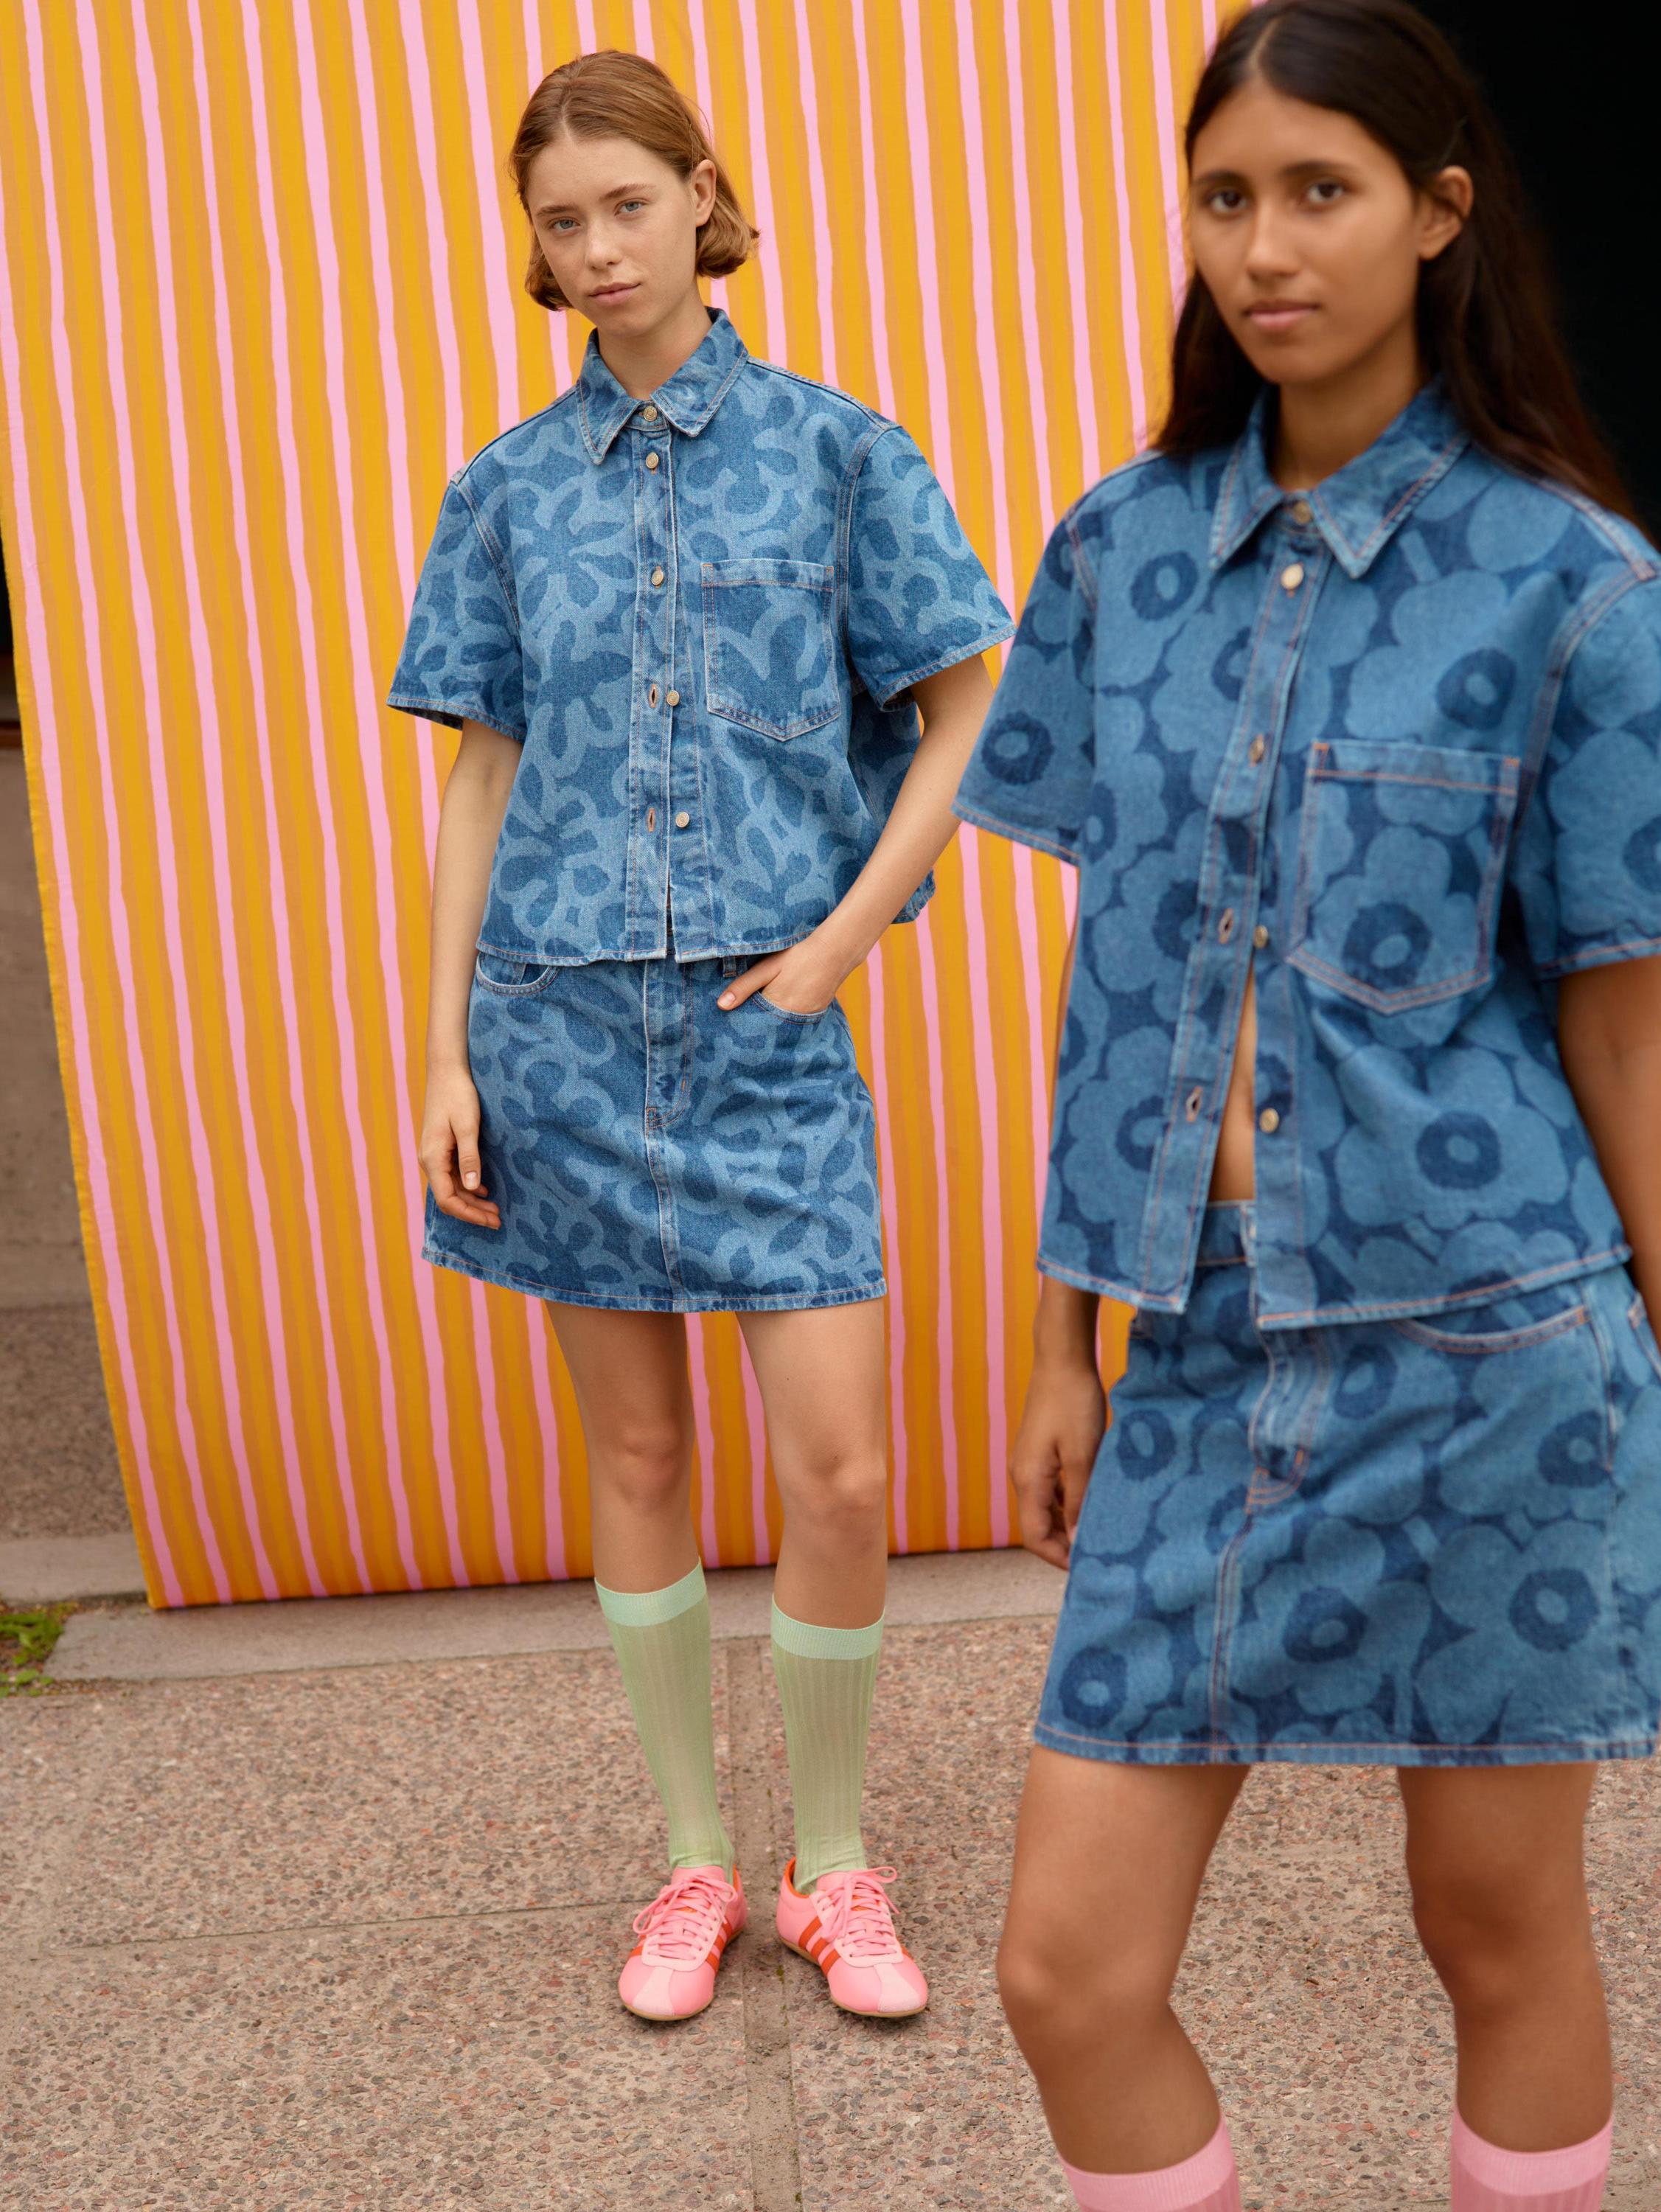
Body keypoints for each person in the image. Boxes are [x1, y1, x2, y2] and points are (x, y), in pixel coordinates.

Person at [951, 2, 1661, 2205]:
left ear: (1442, 219)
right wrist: (1064, 1338)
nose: (1268, 244)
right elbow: (1115, 983)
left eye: (1324, 191)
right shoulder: (1117, 550)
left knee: (1497, 1919)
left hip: (1492, 1351)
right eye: (1230, 193)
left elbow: (1630, 1018)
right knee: (1068, 1972)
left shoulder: (1580, 587)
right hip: (1200, 1348)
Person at [386, 49, 1012, 2026]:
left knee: (836, 1477)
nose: (590, 250)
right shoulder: (504, 492)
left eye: (623, 207)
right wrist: (439, 1055)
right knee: (638, 1449)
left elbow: (972, 704)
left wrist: (842, 939)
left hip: (762, 1034)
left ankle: (836, 1868)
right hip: (555, 1033)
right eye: (557, 221)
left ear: (701, 198)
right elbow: (479, 781)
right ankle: (695, 1867)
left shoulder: (841, 455)